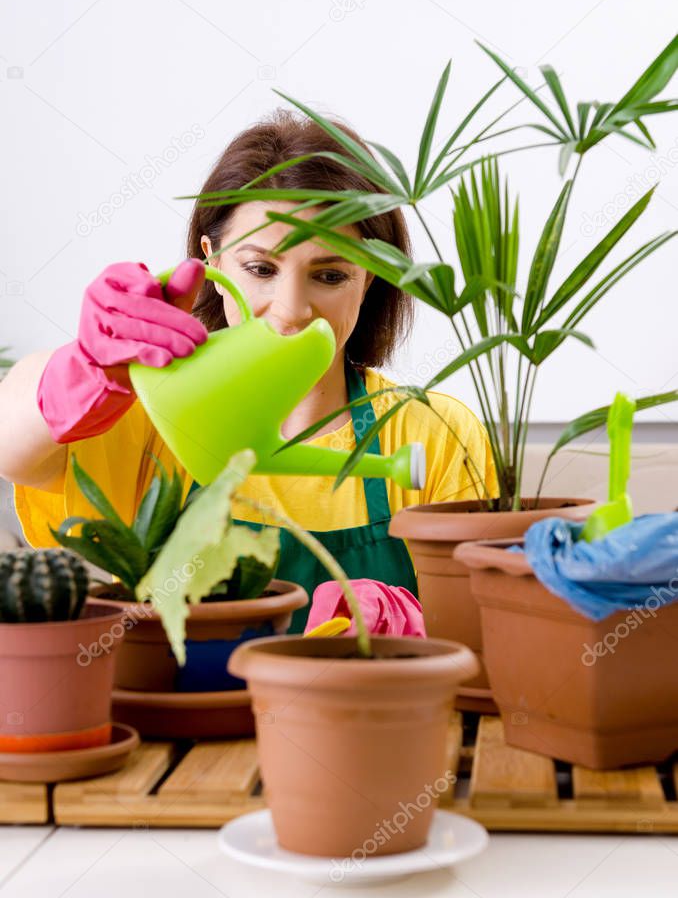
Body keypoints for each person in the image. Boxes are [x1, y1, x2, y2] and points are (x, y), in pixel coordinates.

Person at [0, 109, 497, 632]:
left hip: (367, 708)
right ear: (212, 263)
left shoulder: (432, 433)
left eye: (329, 274)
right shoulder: (155, 416)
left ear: (370, 278)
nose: (292, 309)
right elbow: (12, 447)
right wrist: (84, 368)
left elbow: (478, 628)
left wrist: (408, 623)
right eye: (261, 269)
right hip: (179, 712)